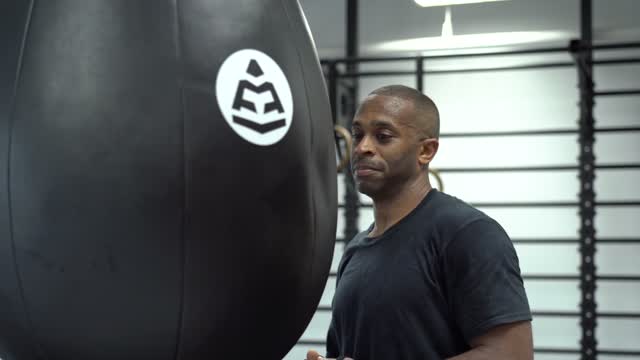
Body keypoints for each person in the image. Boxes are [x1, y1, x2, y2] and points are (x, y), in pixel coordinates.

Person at [306, 85, 533, 360]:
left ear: (425, 151)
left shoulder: (467, 234)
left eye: (383, 136)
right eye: (357, 135)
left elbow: (512, 355)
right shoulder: (356, 251)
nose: (363, 147)